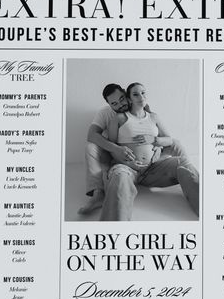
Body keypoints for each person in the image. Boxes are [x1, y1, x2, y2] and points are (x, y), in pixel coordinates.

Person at [77, 82, 188, 214]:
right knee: (90, 147)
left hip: (148, 157)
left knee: (175, 142)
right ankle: (97, 194)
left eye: (122, 99)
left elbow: (153, 130)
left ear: (126, 94)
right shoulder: (106, 114)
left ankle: (189, 175)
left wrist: (157, 144)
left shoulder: (140, 104)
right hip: (117, 152)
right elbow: (92, 135)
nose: (120, 105)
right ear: (109, 104)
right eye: (114, 104)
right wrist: (116, 149)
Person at [99, 82, 199, 222]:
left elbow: (169, 139)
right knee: (119, 177)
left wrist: (154, 140)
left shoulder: (153, 117)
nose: (141, 96)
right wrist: (127, 162)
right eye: (135, 94)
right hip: (127, 169)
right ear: (129, 98)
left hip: (153, 169)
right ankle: (113, 230)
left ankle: (207, 209)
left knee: (182, 163)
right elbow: (112, 146)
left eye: (143, 93)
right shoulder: (118, 119)